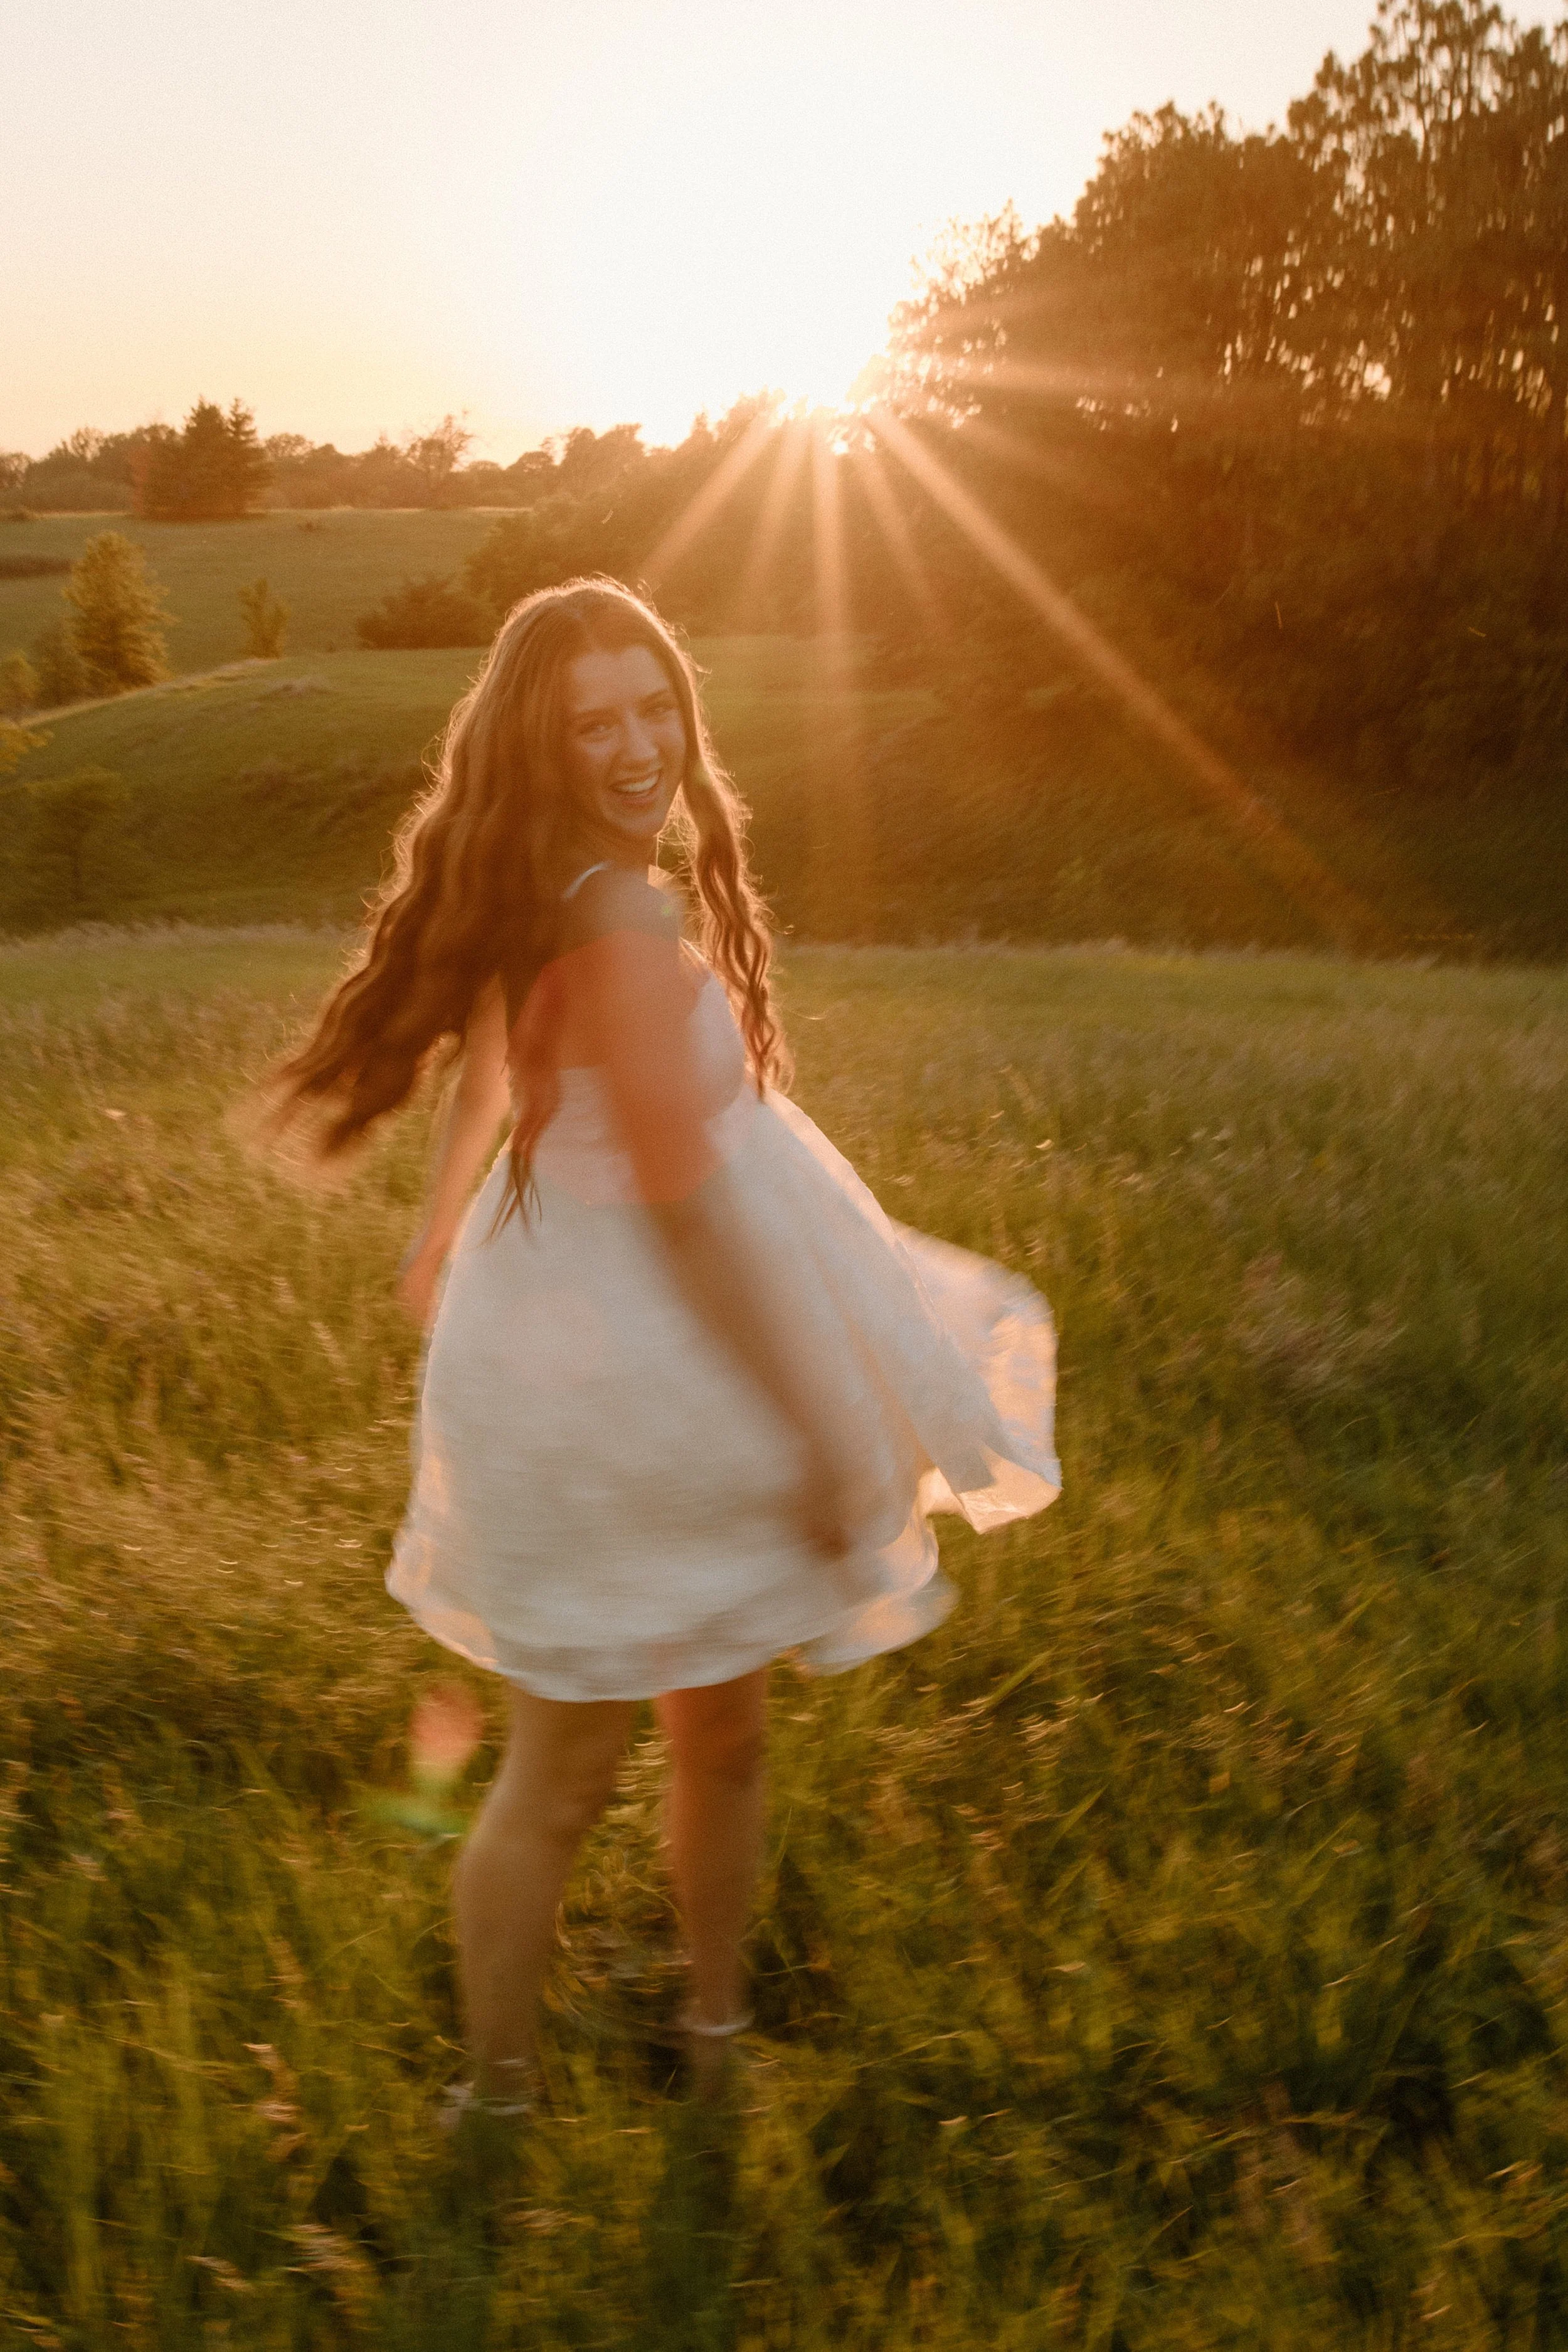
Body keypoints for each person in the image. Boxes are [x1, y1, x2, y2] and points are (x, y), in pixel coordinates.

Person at [267, 578, 1060, 2118]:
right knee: (573, 1773)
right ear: (540, 745)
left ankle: (706, 2035)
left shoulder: (551, 880)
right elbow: (691, 1219)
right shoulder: (612, 913)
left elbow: (491, 1068)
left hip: (576, 1342)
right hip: (634, 1379)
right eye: (595, 725)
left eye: (655, 709)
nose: (638, 748)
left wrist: (435, 1237)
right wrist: (818, 1434)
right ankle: (510, 2099)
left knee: (716, 1731)